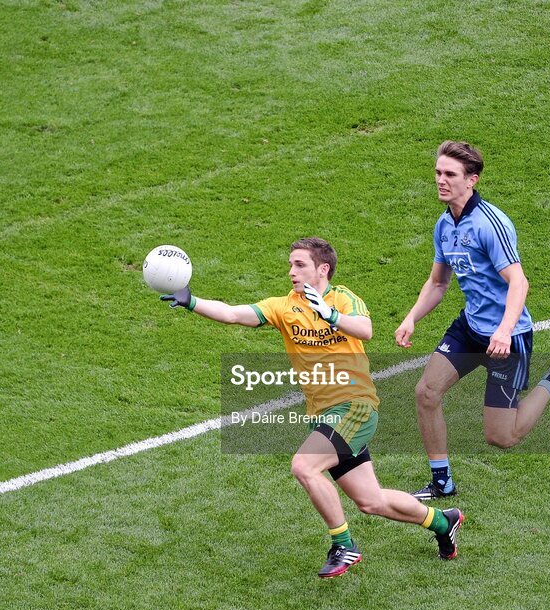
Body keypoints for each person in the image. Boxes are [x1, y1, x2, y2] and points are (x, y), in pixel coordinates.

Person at [161, 237, 463, 577]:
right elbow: (233, 314)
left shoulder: (343, 298)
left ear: (323, 269)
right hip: (323, 414)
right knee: (371, 501)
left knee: (304, 466)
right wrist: (191, 301)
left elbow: (365, 329)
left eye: (300, 264)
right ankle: (444, 522)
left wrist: (330, 315)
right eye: (290, 264)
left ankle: (344, 546)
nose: (291, 271)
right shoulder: (284, 307)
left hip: (355, 407)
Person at [395, 141, 550, 501]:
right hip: (470, 329)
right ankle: (442, 482)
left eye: (450, 174)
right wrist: (411, 317)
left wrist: (503, 331)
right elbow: (438, 283)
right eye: (438, 172)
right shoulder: (444, 225)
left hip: (507, 338)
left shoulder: (489, 223)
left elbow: (519, 281)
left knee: (502, 437)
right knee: (426, 392)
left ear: (472, 180)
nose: (440, 180)